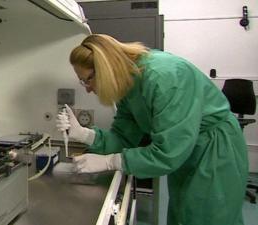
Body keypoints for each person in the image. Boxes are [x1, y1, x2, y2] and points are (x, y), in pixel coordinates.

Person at [56, 34, 248, 225]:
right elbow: (123, 137)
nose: (87, 89)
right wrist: (85, 135)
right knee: (183, 214)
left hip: (214, 152)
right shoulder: (127, 85)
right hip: (187, 151)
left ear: (103, 69)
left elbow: (168, 153)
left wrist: (110, 162)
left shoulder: (164, 76)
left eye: (87, 80)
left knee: (207, 217)